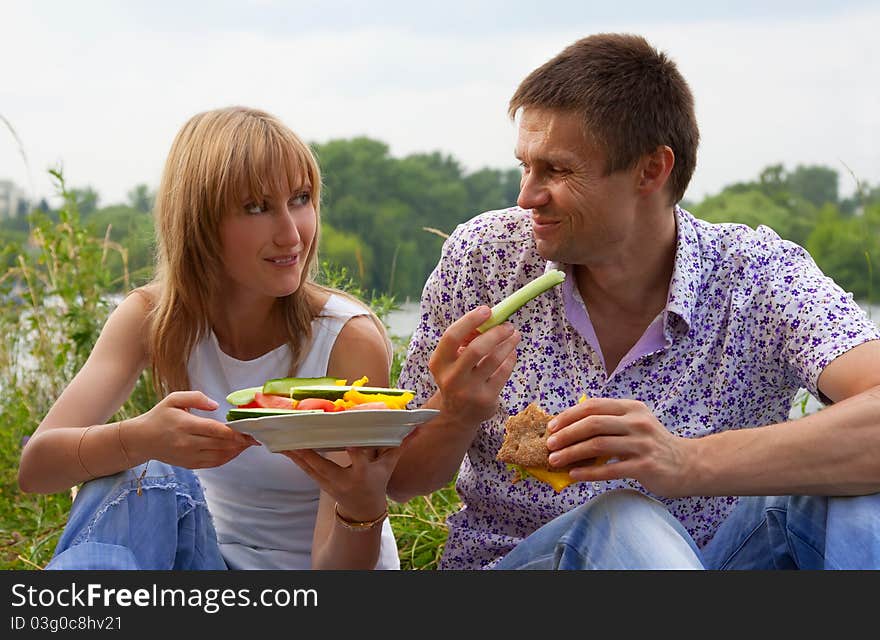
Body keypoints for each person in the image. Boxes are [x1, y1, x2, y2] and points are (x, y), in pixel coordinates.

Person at [389, 33, 880, 570]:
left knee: (851, 493)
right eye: (524, 166)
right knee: (625, 518)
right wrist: (456, 413)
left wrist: (686, 460)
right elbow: (400, 480)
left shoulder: (757, 274)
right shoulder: (484, 260)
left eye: (557, 170)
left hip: (709, 561)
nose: (526, 195)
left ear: (651, 170)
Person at [18, 106, 401, 570]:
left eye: (300, 199)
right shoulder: (151, 316)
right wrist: (141, 438)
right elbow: (36, 468)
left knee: (149, 472)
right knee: (144, 471)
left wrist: (362, 507)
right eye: (257, 207)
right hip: (208, 562)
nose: (291, 233)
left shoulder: (347, 338)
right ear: (199, 223)